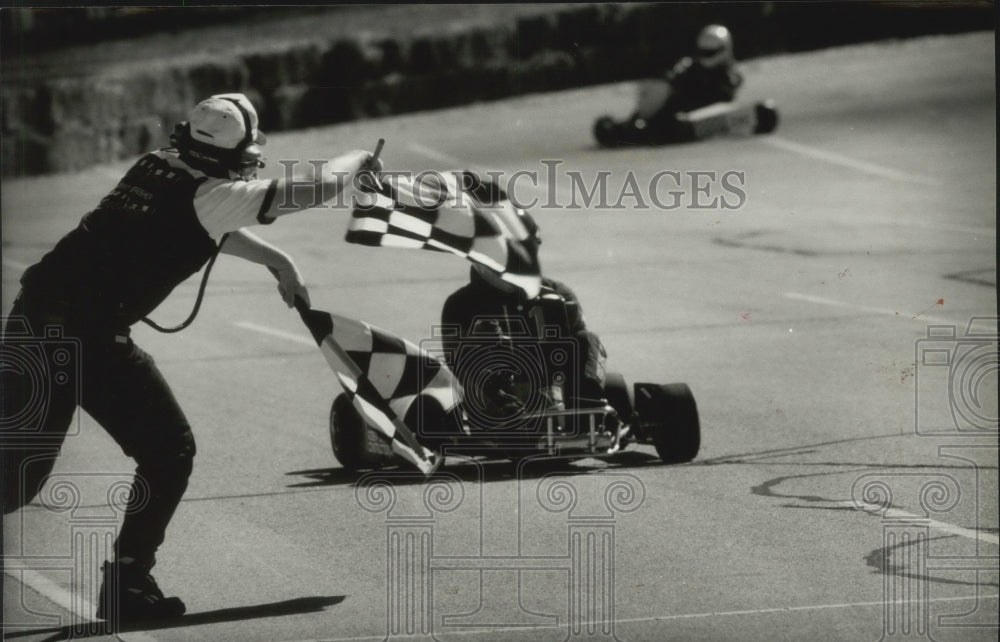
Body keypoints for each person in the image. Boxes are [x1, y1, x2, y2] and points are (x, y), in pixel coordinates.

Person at [1, 93, 380, 622]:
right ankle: (128, 586)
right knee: (168, 450)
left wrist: (277, 260)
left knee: (15, 477)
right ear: (228, 153)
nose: (252, 157)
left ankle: (129, 584)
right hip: (85, 338)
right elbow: (319, 187)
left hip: (32, 318)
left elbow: (203, 221)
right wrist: (360, 159)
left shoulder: (154, 166)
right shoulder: (212, 194)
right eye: (248, 149)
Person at [439, 213, 608, 428]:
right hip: (497, 395)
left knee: (587, 339)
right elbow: (456, 366)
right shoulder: (461, 304)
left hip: (556, 384)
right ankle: (512, 414)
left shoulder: (557, 293)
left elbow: (577, 345)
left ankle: (588, 408)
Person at [594, 24, 749, 146]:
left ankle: (648, 131)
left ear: (724, 49)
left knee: (675, 126)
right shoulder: (689, 66)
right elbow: (672, 78)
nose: (705, 55)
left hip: (703, 113)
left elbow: (729, 91)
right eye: (703, 51)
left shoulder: (729, 74)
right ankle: (629, 127)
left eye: (710, 52)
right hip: (677, 112)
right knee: (662, 122)